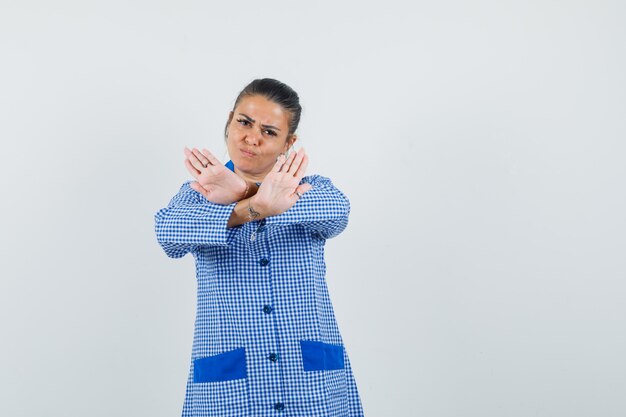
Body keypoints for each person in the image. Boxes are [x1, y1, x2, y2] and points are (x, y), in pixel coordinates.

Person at [154, 78, 364, 417]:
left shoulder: (311, 188)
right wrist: (251, 205)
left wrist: (242, 192)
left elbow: (337, 212)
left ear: (288, 142)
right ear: (229, 120)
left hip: (308, 381)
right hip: (231, 382)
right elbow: (168, 233)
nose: (251, 138)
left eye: (269, 131)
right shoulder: (199, 192)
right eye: (244, 122)